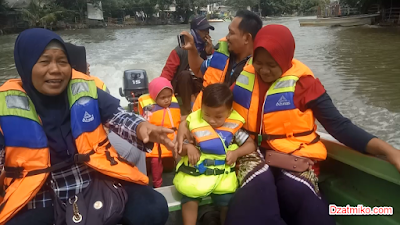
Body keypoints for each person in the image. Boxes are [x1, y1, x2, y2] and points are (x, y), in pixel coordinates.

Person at [176, 24, 400, 225]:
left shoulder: (305, 84)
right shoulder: (246, 76)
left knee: (299, 195)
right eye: (259, 63)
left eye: (271, 65)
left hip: (293, 157)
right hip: (249, 154)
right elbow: (212, 106)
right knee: (254, 197)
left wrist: (389, 151)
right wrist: (185, 124)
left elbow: (339, 126)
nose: (263, 70)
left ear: (286, 59)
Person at [0, 28, 174, 225]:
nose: (56, 69)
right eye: (45, 61)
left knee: (153, 207)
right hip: (39, 193)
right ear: (26, 64)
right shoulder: (5, 106)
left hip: (93, 178)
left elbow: (119, 116)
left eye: (62, 61)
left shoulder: (84, 89)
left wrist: (142, 127)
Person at [173, 83, 256, 225]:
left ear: (229, 112)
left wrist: (236, 153)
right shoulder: (191, 124)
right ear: (201, 108)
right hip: (196, 175)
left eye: (218, 116)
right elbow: (178, 149)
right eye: (206, 114)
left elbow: (251, 145)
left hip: (222, 177)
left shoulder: (234, 129)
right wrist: (188, 148)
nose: (211, 120)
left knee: (228, 203)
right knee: (189, 199)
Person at [65, 42, 148, 174]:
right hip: (85, 149)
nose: (88, 65)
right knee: (135, 149)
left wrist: (140, 126)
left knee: (137, 141)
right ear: (74, 66)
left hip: (96, 141)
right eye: (84, 61)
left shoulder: (94, 86)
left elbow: (116, 114)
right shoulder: (90, 86)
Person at [180, 10, 263, 112]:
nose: (227, 37)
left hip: (237, 124)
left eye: (231, 33)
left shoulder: (262, 67)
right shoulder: (223, 55)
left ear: (246, 38)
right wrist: (192, 48)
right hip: (208, 118)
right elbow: (198, 70)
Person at [160, 15, 215, 116]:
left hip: (199, 83)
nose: (206, 34)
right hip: (183, 86)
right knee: (185, 75)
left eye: (208, 31)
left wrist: (209, 54)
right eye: (203, 31)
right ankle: (187, 111)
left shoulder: (210, 50)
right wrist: (160, 90)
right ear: (194, 32)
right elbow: (166, 74)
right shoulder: (179, 51)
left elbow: (214, 73)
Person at [138, 77, 181, 188]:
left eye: (169, 96)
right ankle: (157, 184)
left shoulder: (174, 105)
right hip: (157, 143)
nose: (167, 100)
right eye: (163, 98)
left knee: (180, 157)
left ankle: (181, 177)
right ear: (154, 97)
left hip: (173, 139)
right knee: (155, 162)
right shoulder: (150, 109)